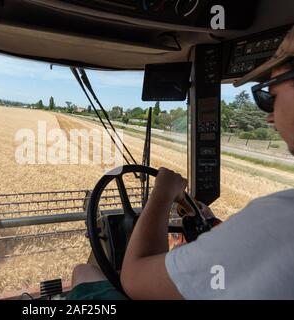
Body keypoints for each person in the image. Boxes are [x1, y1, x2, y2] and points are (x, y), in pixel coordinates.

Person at [68, 25, 294, 300]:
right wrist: (209, 223)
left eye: (268, 97)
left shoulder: (279, 218)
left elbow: (134, 279)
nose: (269, 117)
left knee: (83, 272)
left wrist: (163, 192)